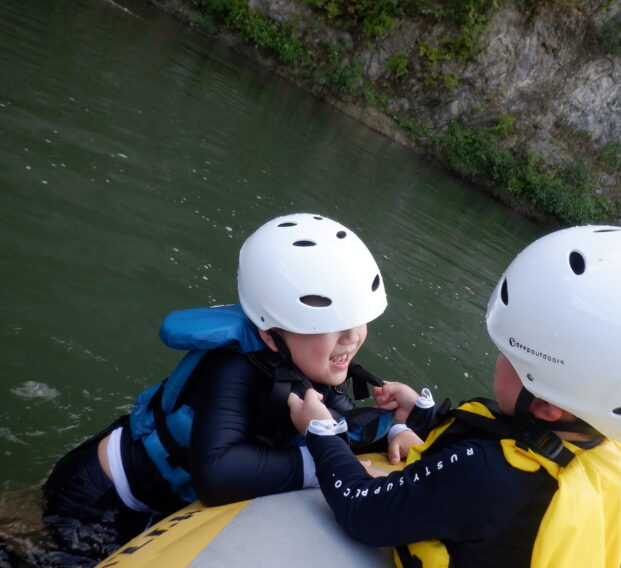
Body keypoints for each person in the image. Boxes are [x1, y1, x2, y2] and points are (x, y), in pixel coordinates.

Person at [289, 225, 621, 568]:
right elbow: (504, 456)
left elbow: (360, 508)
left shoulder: (486, 476)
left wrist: (322, 432)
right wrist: (423, 416)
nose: (497, 358)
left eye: (507, 354)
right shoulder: (612, 450)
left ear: (545, 405)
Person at [39, 213, 422, 567]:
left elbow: (336, 423)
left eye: (358, 320)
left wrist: (398, 425)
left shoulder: (305, 357)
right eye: (329, 325)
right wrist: (323, 465)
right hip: (100, 498)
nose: (352, 338)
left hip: (157, 498)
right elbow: (218, 474)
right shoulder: (233, 367)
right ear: (270, 331)